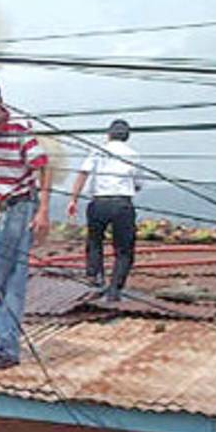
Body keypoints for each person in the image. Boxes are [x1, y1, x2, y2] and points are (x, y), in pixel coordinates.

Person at [0, 80, 51, 371]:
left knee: (8, 279)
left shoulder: (19, 127)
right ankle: (0, 342)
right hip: (5, 207)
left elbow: (42, 166)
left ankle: (5, 347)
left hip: (22, 205)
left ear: (0, 103)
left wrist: (43, 211)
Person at [66, 118, 142, 302]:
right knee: (124, 249)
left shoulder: (97, 151)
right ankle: (115, 289)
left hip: (98, 202)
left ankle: (96, 279)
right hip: (122, 204)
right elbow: (138, 184)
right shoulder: (133, 155)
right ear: (126, 136)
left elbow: (83, 173)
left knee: (94, 242)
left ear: (108, 134)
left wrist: (73, 199)